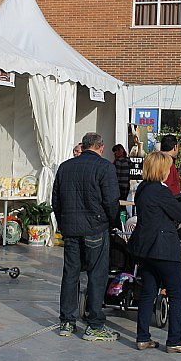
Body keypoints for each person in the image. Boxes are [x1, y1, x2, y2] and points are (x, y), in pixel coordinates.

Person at [53, 132, 120, 341]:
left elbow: (56, 199)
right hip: (95, 227)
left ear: (83, 146)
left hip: (71, 228)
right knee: (97, 275)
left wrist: (63, 224)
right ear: (100, 147)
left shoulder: (66, 167)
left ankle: (67, 321)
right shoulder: (105, 167)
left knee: (71, 273)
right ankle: (95, 324)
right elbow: (111, 201)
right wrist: (113, 223)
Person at [127, 151, 181, 353]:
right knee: (176, 293)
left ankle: (143, 337)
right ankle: (174, 341)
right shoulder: (160, 191)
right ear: (161, 169)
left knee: (147, 293)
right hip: (164, 248)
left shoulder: (142, 188)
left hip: (145, 248)